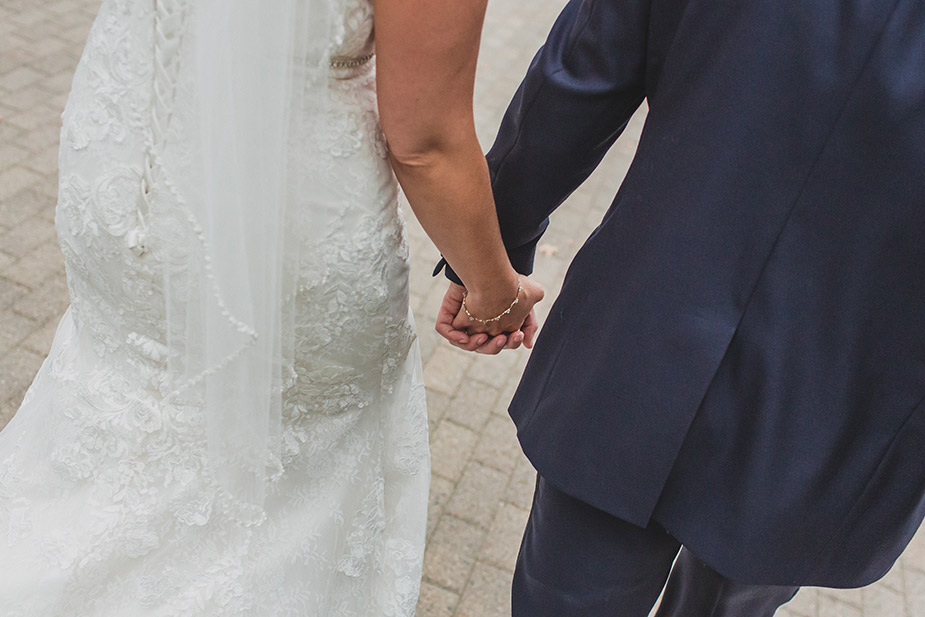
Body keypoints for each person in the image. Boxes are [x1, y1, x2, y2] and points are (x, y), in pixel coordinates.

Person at [0, 0, 541, 614]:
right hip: (291, 228)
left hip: (124, 170)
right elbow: (426, 143)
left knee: (115, 423)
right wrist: (496, 293)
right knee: (281, 505)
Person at [436, 0, 925, 615]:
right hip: (840, 408)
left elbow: (582, 73)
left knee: (569, 594)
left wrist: (491, 260)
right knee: (735, 599)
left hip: (646, 329)